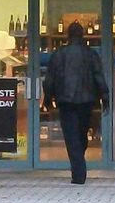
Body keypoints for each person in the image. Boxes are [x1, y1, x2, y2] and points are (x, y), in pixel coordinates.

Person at [41, 22, 109, 185]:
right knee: (81, 134)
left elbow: (50, 79)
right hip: (86, 101)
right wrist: (104, 96)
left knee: (71, 137)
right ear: (83, 35)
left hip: (66, 101)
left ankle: (78, 173)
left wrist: (48, 99)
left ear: (68, 36)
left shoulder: (59, 54)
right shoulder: (91, 54)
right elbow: (99, 76)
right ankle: (79, 169)